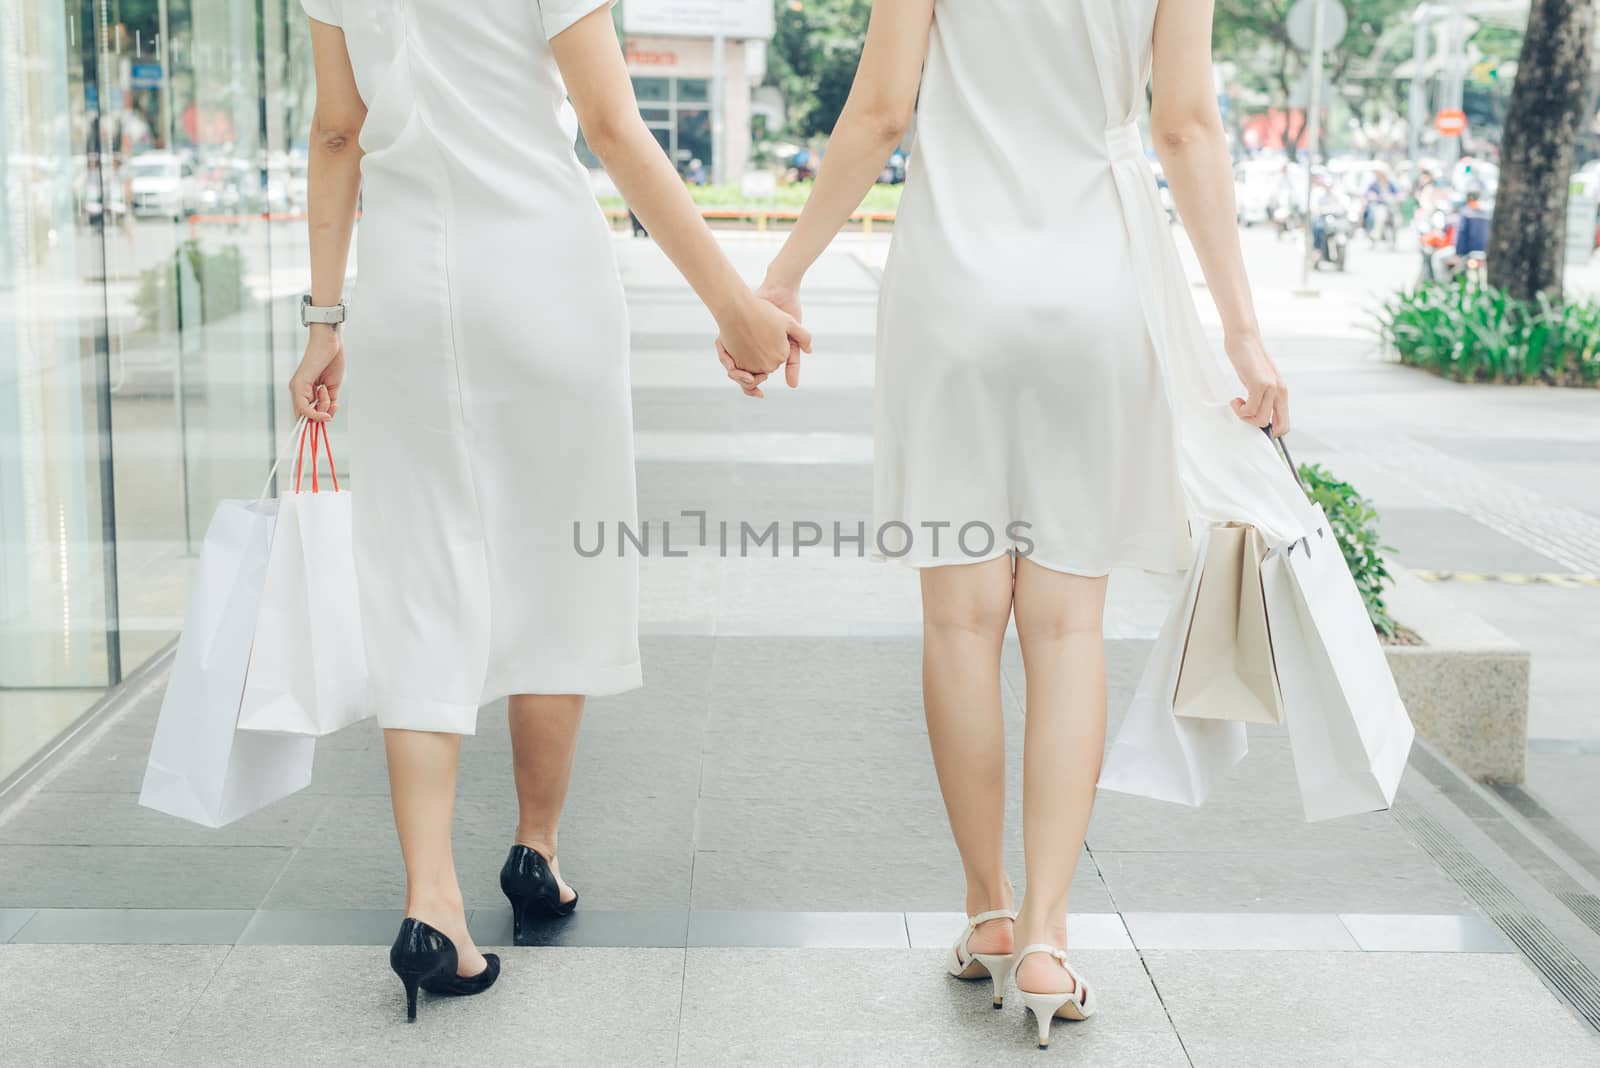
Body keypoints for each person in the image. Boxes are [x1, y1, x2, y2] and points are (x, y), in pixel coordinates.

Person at [720, 0, 1290, 1047]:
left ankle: (985, 911)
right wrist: (1243, 334)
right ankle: (1045, 937)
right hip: (1097, 288)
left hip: (954, 292)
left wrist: (783, 271)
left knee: (959, 624)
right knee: (1068, 628)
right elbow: (1186, 125)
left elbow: (884, 108)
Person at [287, 0, 808, 1022]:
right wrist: (736, 309)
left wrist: (322, 319)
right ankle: (535, 851)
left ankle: (430, 905)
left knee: (420, 578)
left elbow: (337, 131)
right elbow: (612, 125)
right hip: (541, 279)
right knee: (559, 558)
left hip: (403, 292)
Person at [1431, 183, 1492, 283]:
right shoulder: (1487, 213)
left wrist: (1458, 254)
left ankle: (1442, 286)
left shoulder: (1466, 212)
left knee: (1437, 257)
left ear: (1468, 199)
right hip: (1484, 253)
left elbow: (1461, 235)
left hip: (1467, 254)